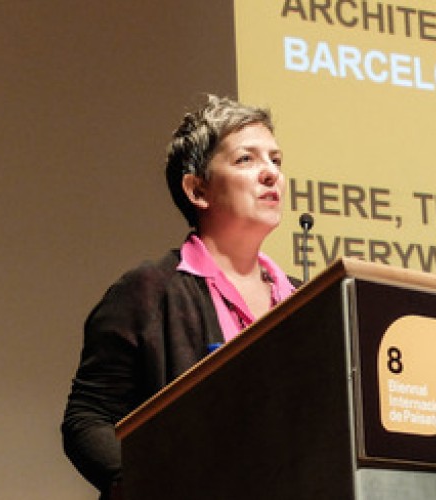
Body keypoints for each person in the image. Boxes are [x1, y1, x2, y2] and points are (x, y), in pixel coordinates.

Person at [61, 95, 298, 498]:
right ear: (197, 189)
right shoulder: (149, 291)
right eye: (247, 160)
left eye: (276, 160)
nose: (271, 173)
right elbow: (88, 419)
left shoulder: (304, 298)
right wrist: (153, 483)